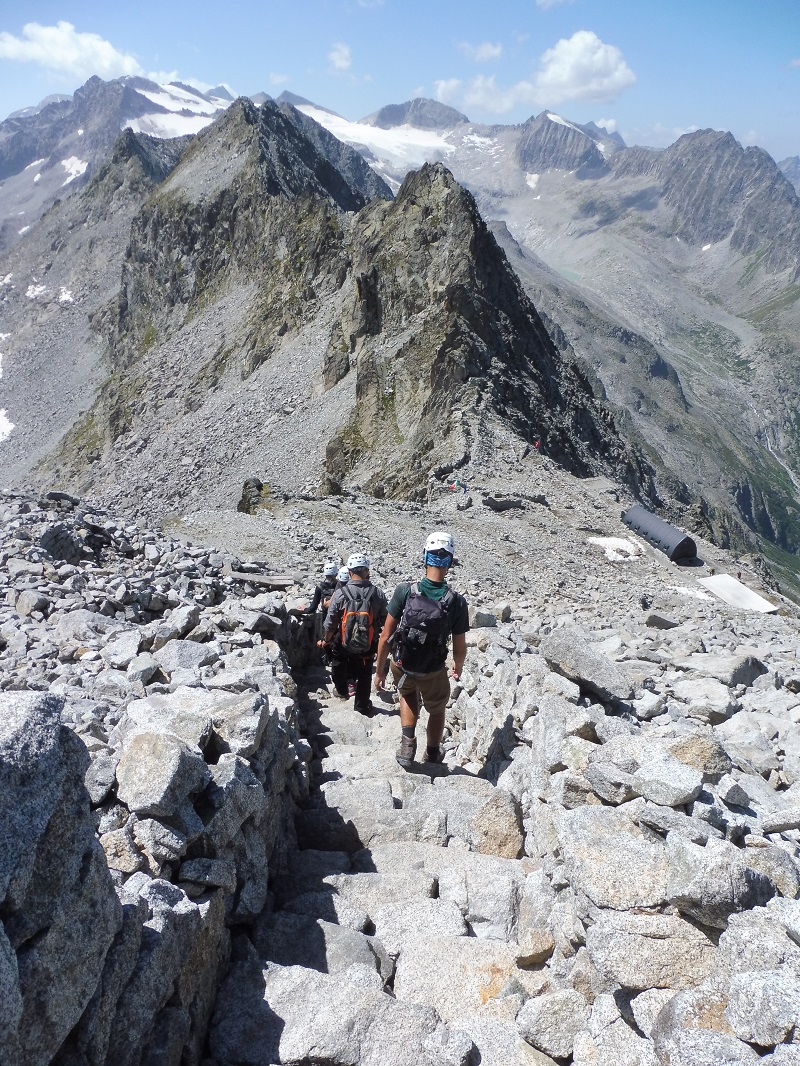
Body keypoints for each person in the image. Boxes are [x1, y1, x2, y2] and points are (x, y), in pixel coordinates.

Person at [375, 532, 469, 767]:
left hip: (402, 662)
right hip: (433, 668)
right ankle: (433, 753)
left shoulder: (405, 591)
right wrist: (458, 665)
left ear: (425, 557)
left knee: (407, 693)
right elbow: (459, 646)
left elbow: (386, 637)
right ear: (449, 562)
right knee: (436, 708)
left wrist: (379, 671)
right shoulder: (456, 602)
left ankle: (408, 744)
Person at [318, 553, 387, 715]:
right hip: (368, 643)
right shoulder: (377, 593)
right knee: (364, 673)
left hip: (343, 642)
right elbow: (385, 620)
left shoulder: (341, 593)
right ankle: (362, 706)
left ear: (349, 572)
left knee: (338, 661)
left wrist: (326, 640)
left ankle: (342, 690)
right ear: (367, 571)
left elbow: (330, 623)